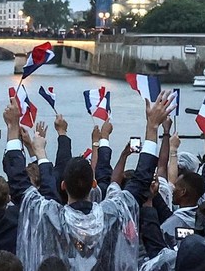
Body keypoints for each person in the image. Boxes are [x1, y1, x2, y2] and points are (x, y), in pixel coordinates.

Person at [15, 94, 169, 271]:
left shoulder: (50, 217)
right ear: (93, 184)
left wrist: (20, 135)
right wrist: (152, 127)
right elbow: (142, 180)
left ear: (64, 185)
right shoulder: (113, 214)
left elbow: (19, 184)